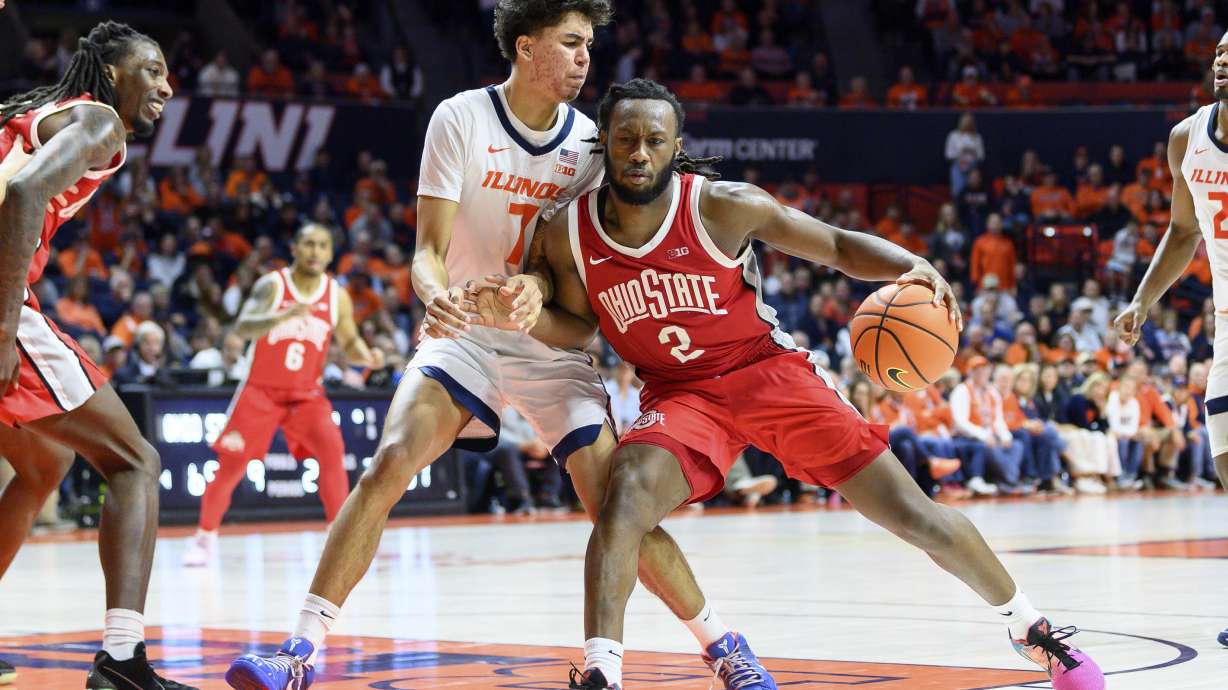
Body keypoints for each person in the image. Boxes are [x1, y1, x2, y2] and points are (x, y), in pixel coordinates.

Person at [473, 78, 1103, 690]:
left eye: (655, 140)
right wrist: (529, 317)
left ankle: (1031, 629)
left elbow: (833, 245)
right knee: (622, 501)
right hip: (680, 394)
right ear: (603, 142)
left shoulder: (722, 205)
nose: (639, 152)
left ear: (676, 144)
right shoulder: (568, 231)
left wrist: (912, 262)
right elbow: (578, 327)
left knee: (916, 516)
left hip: (765, 372)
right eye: (626, 139)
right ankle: (602, 672)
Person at [225, 5, 769, 690]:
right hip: (467, 337)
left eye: (590, 45)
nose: (585, 59)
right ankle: (297, 652)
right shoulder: (460, 119)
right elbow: (426, 251)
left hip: (551, 352)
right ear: (526, 46)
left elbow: (584, 308)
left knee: (615, 511)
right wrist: (435, 294)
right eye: (571, 43)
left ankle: (724, 644)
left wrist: (539, 298)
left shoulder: (595, 148)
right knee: (390, 461)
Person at [0, 21, 195, 690]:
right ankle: (122, 661)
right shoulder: (99, 119)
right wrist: (4, 324)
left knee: (43, 462)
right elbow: (23, 196)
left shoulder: (31, 113)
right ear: (112, 74)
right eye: (153, 69)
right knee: (136, 462)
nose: (167, 84)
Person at [1115, 30, 1228, 643]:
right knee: (1225, 461)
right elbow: (1184, 231)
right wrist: (1141, 300)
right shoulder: (1187, 137)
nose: (1223, 60)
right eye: (1219, 52)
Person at [182, 224, 383, 566]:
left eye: (322, 245)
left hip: (306, 395)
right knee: (230, 466)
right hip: (261, 392)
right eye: (308, 244)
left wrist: (368, 356)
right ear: (294, 248)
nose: (315, 252)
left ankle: (339, 538)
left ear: (330, 253)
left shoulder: (337, 295)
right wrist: (281, 316)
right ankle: (205, 537)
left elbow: (349, 343)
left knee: (333, 451)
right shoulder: (272, 285)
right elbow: (242, 329)